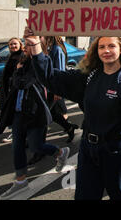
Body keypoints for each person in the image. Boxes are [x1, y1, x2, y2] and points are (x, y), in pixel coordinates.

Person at [25, 27, 121, 200]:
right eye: (101, 47)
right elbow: (51, 78)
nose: (106, 51)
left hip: (117, 151)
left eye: (111, 46)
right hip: (88, 150)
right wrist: (36, 46)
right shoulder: (89, 77)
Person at [0, 43, 70, 200]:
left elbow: (23, 83)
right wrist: (17, 72)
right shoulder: (22, 61)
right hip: (18, 112)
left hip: (35, 112)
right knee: (17, 147)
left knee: (37, 146)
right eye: (25, 44)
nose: (25, 47)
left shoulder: (42, 62)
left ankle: (60, 152)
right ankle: (21, 182)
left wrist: (17, 71)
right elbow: (12, 82)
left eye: (29, 45)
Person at [28, 36, 79, 165]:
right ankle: (69, 127)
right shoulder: (47, 48)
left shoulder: (56, 49)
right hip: (45, 88)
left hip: (52, 89)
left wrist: (58, 90)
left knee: (43, 117)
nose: (40, 38)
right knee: (52, 114)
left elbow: (59, 71)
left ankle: (39, 148)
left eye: (41, 36)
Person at [0, 38, 24, 143]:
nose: (13, 46)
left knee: (14, 113)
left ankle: (17, 134)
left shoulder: (22, 56)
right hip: (10, 89)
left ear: (20, 44)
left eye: (15, 44)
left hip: (16, 90)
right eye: (10, 44)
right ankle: (17, 133)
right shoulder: (12, 56)